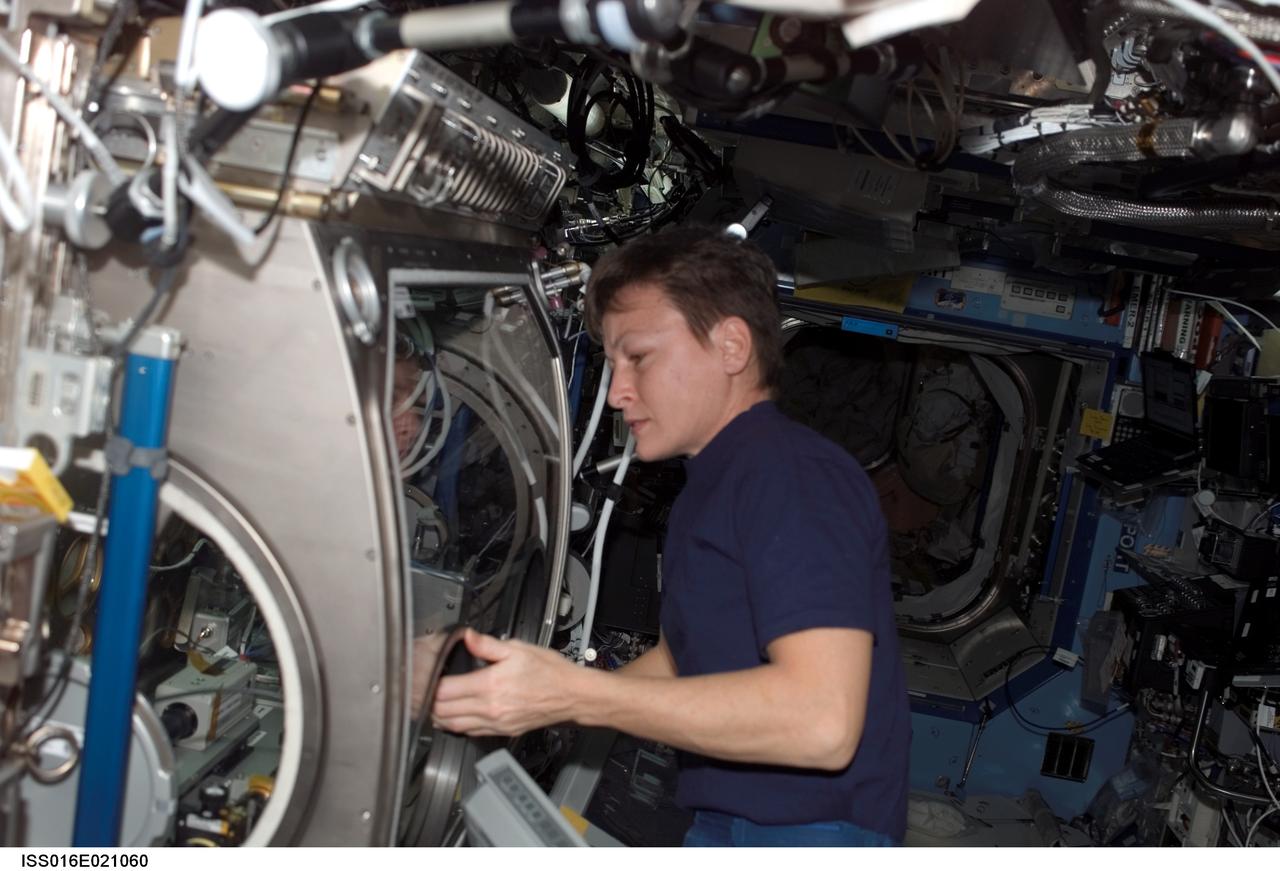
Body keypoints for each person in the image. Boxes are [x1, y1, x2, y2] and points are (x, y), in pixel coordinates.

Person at [431, 225, 910, 847]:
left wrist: (577, 695)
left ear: (731, 345)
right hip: (729, 825)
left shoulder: (789, 475)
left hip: (809, 834)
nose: (617, 392)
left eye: (640, 357)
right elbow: (684, 659)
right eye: (610, 364)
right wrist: (536, 701)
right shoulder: (710, 484)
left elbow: (820, 721)